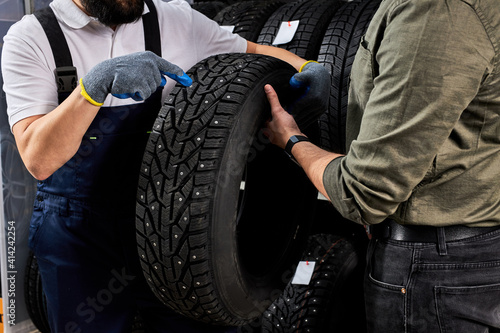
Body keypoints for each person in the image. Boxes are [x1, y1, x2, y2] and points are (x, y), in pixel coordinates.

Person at [1, 0, 330, 332]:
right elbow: (38, 160)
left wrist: (307, 67)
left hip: (171, 227)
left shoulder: (176, 19)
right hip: (78, 236)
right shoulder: (33, 37)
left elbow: (254, 50)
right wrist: (90, 90)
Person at [263, 0, 500, 332]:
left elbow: (363, 193)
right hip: (464, 256)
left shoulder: (436, 13)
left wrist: (291, 138)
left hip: (433, 271)